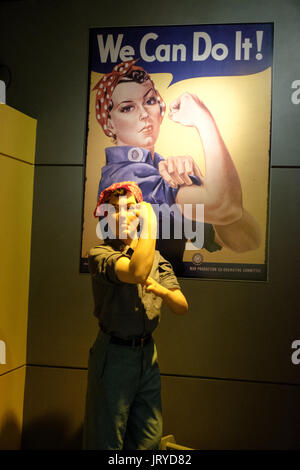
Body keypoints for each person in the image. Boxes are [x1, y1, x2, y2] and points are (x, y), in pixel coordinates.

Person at [93, 59, 261, 274]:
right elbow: (226, 207)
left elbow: (246, 240)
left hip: (169, 293)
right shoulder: (127, 177)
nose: (144, 114)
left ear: (160, 108)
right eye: (127, 108)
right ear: (109, 123)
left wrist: (199, 182)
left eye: (150, 101)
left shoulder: (158, 171)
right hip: (140, 298)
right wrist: (203, 119)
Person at [83, 181, 188, 450]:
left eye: (130, 208)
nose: (122, 215)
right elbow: (136, 272)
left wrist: (163, 292)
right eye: (114, 210)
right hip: (114, 355)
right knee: (106, 440)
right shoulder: (100, 253)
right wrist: (150, 221)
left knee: (148, 439)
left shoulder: (156, 257)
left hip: (147, 355)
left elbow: (180, 305)